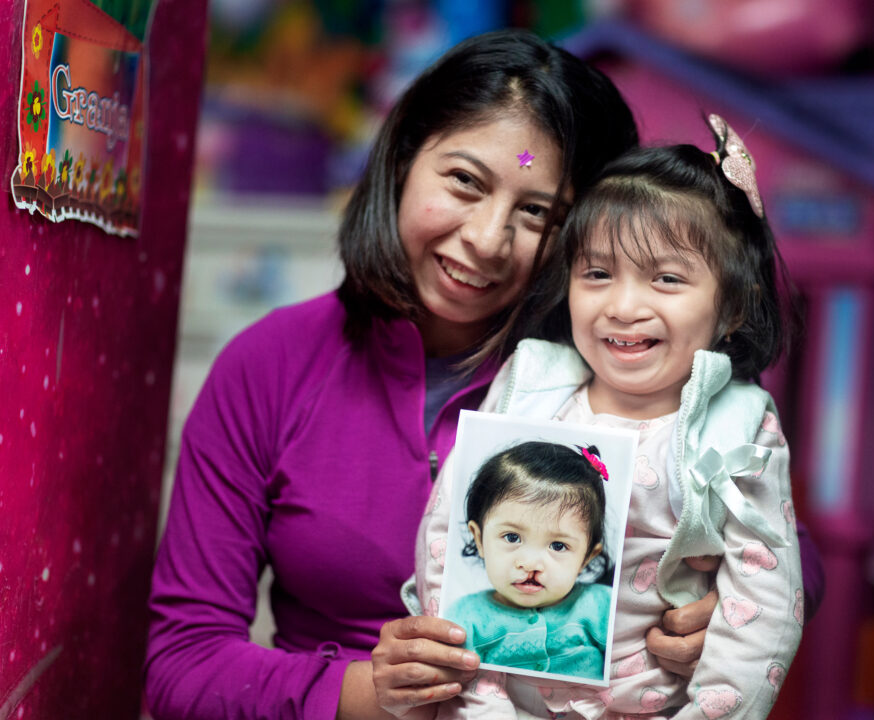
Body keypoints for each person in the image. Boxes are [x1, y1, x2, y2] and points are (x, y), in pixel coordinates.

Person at [144, 28, 727, 720]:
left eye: (539, 212)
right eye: (464, 183)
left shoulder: (630, 373)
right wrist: (365, 693)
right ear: (401, 161)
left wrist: (719, 616)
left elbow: (782, 544)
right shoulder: (270, 365)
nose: (487, 238)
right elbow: (179, 662)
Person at [414, 114, 803, 719]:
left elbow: (764, 600)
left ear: (731, 306)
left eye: (666, 279)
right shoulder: (531, 387)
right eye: (596, 274)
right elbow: (448, 539)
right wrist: (481, 705)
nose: (623, 307)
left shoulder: (740, 427)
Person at [447, 441, 611, 680]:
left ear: (586, 558)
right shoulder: (465, 617)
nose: (532, 563)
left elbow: (625, 669)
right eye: (512, 537)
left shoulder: (599, 606)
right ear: (480, 539)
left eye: (558, 545)